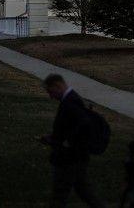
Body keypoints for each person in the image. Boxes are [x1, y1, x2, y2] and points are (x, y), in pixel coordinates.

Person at [39, 73, 105, 208]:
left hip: (69, 159)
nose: (50, 96)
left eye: (50, 92)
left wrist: (67, 142)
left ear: (58, 86)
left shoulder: (70, 102)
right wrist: (53, 138)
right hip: (76, 157)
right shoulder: (70, 100)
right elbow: (71, 126)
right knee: (84, 191)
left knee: (59, 195)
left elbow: (83, 125)